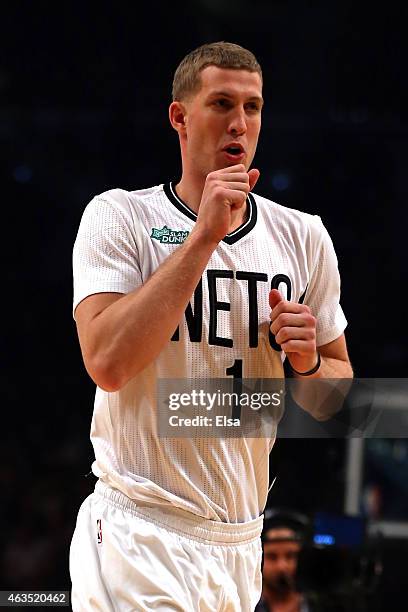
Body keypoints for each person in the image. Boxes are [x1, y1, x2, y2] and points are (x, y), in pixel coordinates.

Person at [69, 41, 353, 611]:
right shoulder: (120, 217)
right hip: (140, 528)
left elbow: (334, 402)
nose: (239, 123)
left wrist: (309, 363)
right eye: (222, 103)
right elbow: (107, 363)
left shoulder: (304, 237)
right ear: (180, 116)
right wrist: (203, 238)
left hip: (241, 543)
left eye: (253, 107)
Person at [255, 509, 313, 612]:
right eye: (272, 557)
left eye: (290, 556)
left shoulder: (319, 604)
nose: (282, 566)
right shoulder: (245, 605)